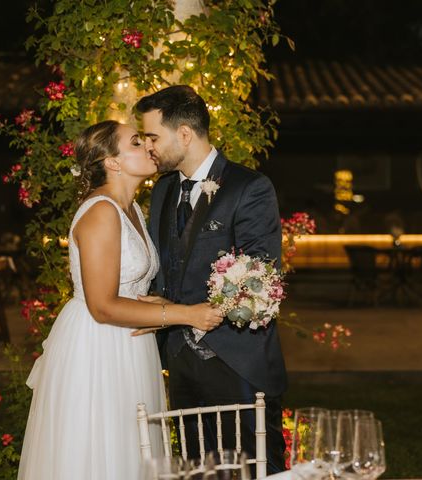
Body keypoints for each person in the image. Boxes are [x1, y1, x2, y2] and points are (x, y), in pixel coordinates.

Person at [17, 119, 223, 480]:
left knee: (133, 447)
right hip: (98, 346)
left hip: (129, 341)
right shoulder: (101, 212)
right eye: (135, 142)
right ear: (112, 162)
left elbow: (128, 290)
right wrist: (184, 314)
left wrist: (154, 305)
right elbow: (103, 304)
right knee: (101, 447)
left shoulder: (133, 210)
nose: (148, 147)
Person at [136, 85, 288, 474]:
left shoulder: (248, 188)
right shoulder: (163, 191)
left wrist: (185, 311)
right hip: (180, 363)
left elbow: (261, 278)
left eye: (153, 136)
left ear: (184, 134)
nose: (148, 146)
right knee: (197, 470)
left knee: (253, 471)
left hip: (237, 362)